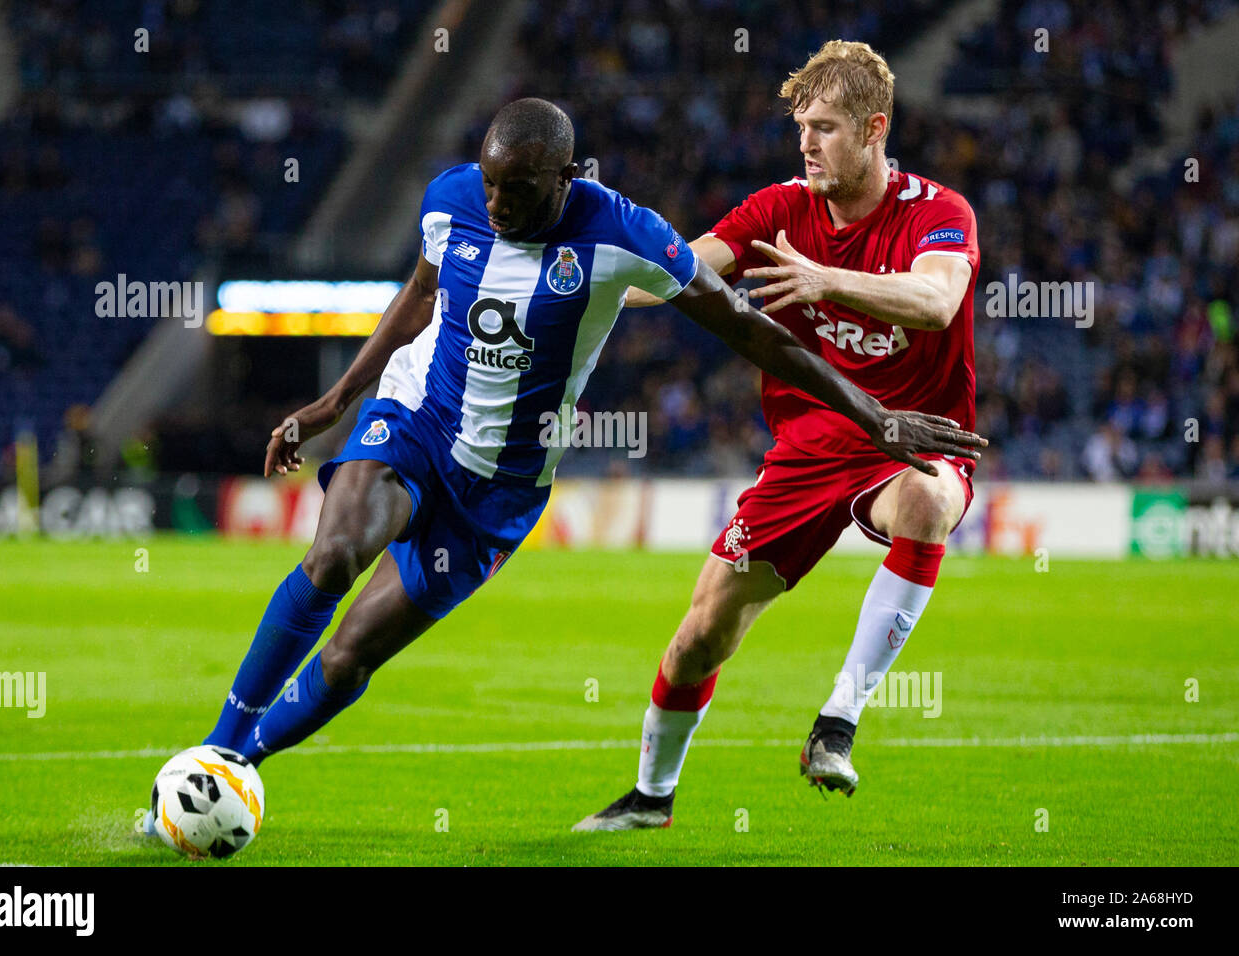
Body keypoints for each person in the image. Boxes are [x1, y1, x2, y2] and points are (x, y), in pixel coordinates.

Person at [144, 97, 982, 833]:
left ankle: (237, 764)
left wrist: (873, 414)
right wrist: (336, 401)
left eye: (520, 190)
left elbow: (751, 330)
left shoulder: (623, 232)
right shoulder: (453, 199)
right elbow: (418, 295)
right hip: (417, 419)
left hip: (502, 490)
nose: (498, 204)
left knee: (351, 656)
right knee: (332, 557)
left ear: (567, 177)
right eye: (491, 184)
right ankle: (215, 755)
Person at [576, 41, 982, 830]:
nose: (806, 143)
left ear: (874, 128)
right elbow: (680, 276)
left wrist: (827, 280)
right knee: (701, 635)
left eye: (825, 127)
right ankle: (651, 798)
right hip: (807, 448)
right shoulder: (777, 210)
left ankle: (836, 724)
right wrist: (581, 280)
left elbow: (935, 303)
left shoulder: (939, 212)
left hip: (908, 437)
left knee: (930, 502)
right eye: (801, 127)